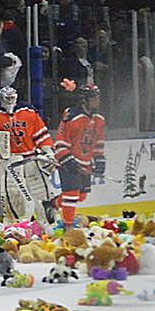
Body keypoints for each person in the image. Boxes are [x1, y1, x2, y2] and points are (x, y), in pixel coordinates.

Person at [0, 86, 56, 223]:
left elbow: (41, 133)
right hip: (11, 160)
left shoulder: (28, 111)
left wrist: (49, 152)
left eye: (11, 98)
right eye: (6, 98)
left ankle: (48, 225)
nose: (9, 101)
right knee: (13, 193)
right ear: (0, 99)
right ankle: (17, 225)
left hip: (31, 157)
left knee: (41, 193)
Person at [54, 83, 106, 229]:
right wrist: (66, 159)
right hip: (67, 160)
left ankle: (52, 204)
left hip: (85, 162)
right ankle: (68, 227)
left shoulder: (99, 119)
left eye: (98, 98)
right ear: (84, 100)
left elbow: (98, 141)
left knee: (82, 196)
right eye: (94, 98)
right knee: (71, 194)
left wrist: (100, 159)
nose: (97, 101)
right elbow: (60, 140)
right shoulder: (71, 116)